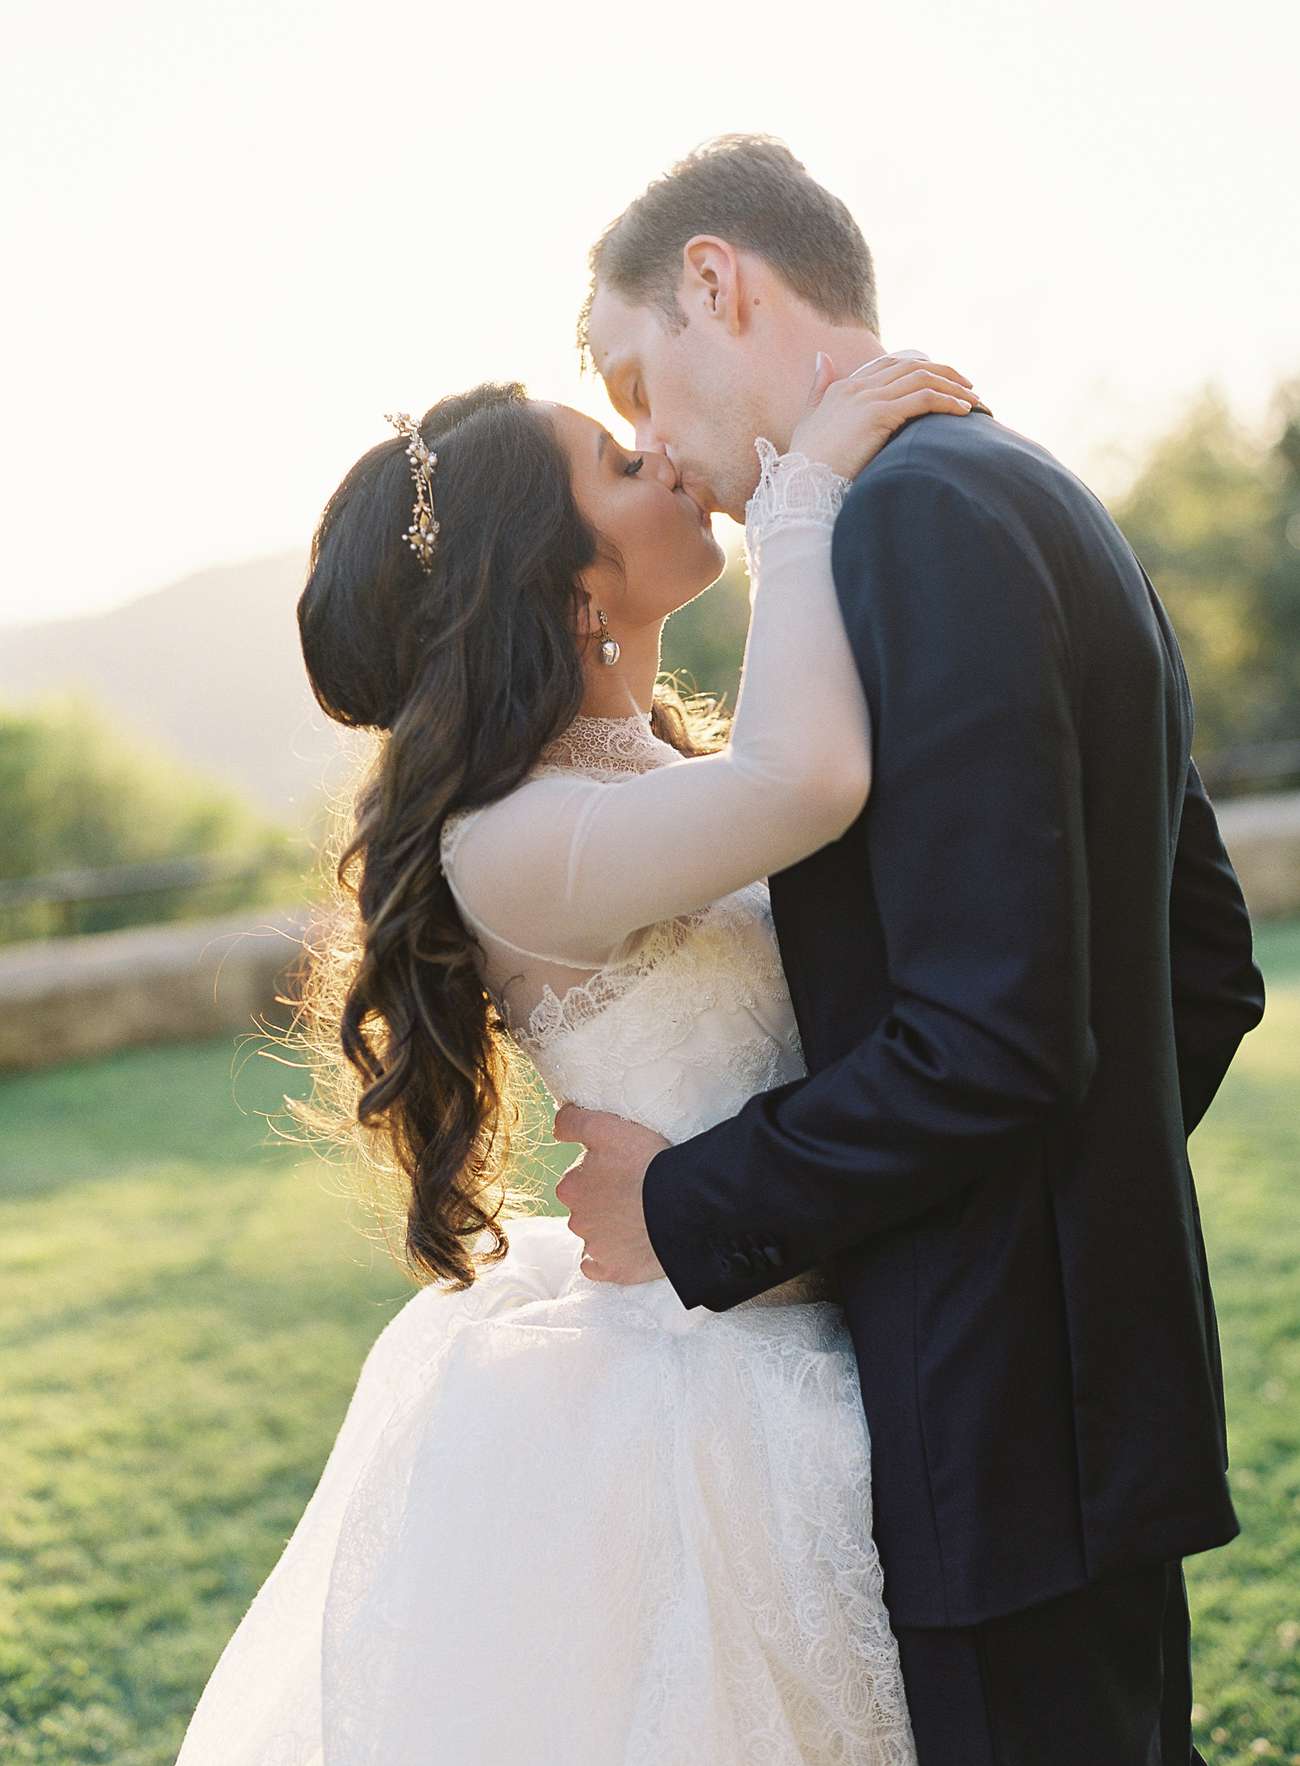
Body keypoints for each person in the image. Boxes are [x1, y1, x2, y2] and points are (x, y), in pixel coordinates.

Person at [557, 133, 1267, 1765]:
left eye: (636, 379)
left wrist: (684, 1203)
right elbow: (1204, 968)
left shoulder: (903, 530)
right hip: (1087, 1415)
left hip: (995, 1425)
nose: (657, 448)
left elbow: (994, 1040)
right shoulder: (1025, 481)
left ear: (718, 282)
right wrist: (1073, 1227)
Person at [172, 345, 985, 1764]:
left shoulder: (647, 770)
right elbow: (809, 782)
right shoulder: (516, 838)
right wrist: (802, 487)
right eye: (617, 463)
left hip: (815, 1306)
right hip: (708, 1404)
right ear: (569, 589)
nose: (662, 457)